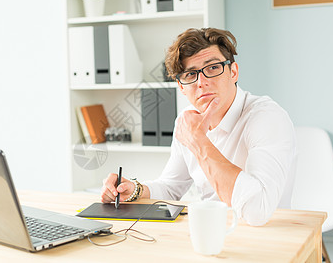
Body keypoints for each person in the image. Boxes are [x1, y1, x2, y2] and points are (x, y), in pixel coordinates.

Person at [100, 28, 296, 226]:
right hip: (212, 229)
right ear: (181, 87)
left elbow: (257, 211)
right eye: (190, 74)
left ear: (233, 72)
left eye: (212, 68)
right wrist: (134, 189)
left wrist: (199, 142)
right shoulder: (186, 122)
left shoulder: (267, 117)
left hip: (268, 235)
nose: (202, 82)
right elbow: (170, 187)